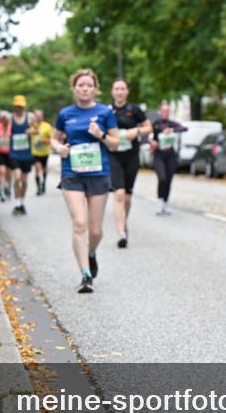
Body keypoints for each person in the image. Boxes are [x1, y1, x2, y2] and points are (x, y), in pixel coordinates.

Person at [51, 69, 119, 294]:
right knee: (80, 224)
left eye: (89, 85)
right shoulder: (65, 114)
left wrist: (100, 134)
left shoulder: (104, 112)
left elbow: (115, 144)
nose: (85, 88)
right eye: (81, 85)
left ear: (95, 89)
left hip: (99, 174)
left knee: (96, 231)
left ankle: (91, 253)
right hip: (72, 173)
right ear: (74, 88)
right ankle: (85, 274)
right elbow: (54, 139)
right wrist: (59, 148)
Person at [109, 79, 152, 246]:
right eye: (116, 89)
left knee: (127, 196)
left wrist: (137, 131)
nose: (119, 92)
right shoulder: (107, 111)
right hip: (113, 155)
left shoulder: (134, 110)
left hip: (131, 156)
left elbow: (149, 127)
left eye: (122, 89)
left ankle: (123, 223)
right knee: (118, 194)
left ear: (127, 91)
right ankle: (121, 233)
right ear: (112, 91)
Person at [149, 102, 187, 215]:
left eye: (167, 111)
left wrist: (172, 130)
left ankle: (165, 203)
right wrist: (152, 142)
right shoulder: (156, 124)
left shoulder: (172, 124)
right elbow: (147, 136)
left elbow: (184, 128)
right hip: (159, 155)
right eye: (163, 111)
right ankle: (160, 201)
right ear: (160, 112)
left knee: (169, 180)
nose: (165, 113)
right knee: (162, 178)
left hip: (170, 156)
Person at [9, 96, 35, 215]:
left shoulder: (30, 117)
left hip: (27, 154)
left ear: (24, 106)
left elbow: (36, 130)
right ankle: (17, 203)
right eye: (17, 106)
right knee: (17, 177)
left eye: (21, 106)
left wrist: (32, 131)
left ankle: (21, 202)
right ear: (14, 106)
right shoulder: (10, 118)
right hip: (14, 153)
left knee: (24, 181)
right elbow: (5, 132)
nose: (19, 108)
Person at [31, 108, 53, 195]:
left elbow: (51, 139)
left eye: (39, 116)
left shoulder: (47, 126)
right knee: (37, 169)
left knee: (44, 169)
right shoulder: (31, 126)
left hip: (45, 152)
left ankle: (43, 183)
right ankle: (38, 188)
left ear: (42, 117)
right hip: (35, 152)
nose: (38, 117)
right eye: (36, 116)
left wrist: (43, 140)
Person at [0, 111, 12, 202]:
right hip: (0, 152)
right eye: (3, 119)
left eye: (6, 119)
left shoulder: (11, 128)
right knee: (2, 171)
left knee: (8, 173)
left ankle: (8, 186)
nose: (5, 121)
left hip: (10, 153)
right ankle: (2, 190)